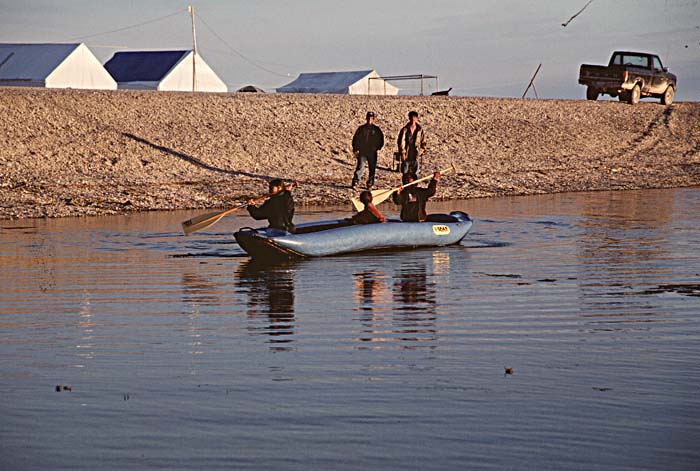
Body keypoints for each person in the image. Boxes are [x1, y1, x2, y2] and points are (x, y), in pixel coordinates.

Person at [351, 111, 384, 190]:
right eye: (368, 117)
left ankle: (370, 183)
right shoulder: (361, 129)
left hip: (372, 152)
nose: (370, 119)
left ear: (373, 119)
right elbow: (356, 139)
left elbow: (381, 140)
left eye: (371, 118)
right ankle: (355, 182)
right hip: (363, 151)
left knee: (372, 168)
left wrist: (377, 147)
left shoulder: (376, 130)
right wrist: (355, 148)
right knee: (360, 167)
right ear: (366, 118)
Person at [396, 111, 426, 178]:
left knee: (415, 172)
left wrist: (420, 151)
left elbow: (423, 142)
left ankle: (414, 186)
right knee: (405, 172)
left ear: (416, 118)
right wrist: (402, 153)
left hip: (415, 154)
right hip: (407, 154)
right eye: (411, 117)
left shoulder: (420, 130)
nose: (413, 119)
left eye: (414, 117)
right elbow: (401, 142)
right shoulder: (405, 129)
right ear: (409, 118)